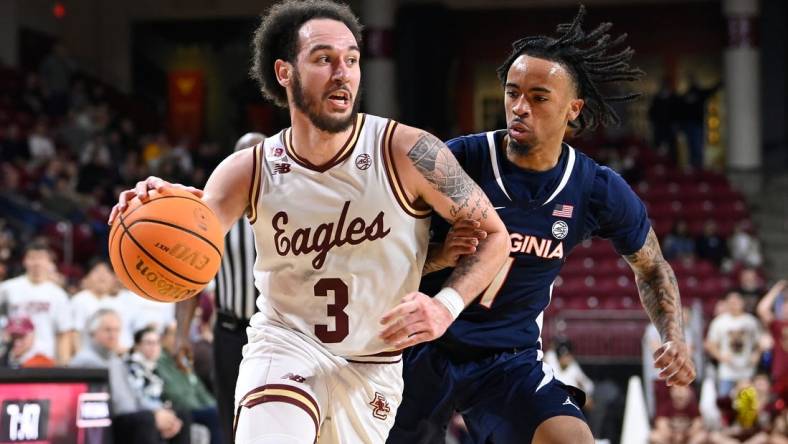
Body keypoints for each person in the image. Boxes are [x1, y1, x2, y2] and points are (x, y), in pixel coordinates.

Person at [107, 1, 509, 443]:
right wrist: (157, 206)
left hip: (372, 366)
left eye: (352, 59)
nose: (343, 73)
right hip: (284, 347)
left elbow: (495, 236)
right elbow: (193, 232)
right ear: (285, 72)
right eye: (324, 58)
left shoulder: (409, 151)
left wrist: (444, 305)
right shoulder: (249, 169)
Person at [388, 7, 695, 444]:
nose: (519, 107)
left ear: (573, 109)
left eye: (538, 97)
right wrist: (438, 254)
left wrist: (674, 336)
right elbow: (382, 251)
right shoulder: (458, 161)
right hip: (421, 346)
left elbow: (652, 267)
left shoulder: (595, 188)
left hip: (506, 359)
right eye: (512, 93)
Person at [175, 131, 264, 444]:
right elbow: (191, 277)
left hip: (279, 331)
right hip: (230, 332)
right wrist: (181, 333)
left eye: (258, 154)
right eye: (243, 156)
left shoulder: (291, 210)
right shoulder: (214, 213)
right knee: (232, 421)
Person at [70, 309, 190, 444]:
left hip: (132, 417)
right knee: (146, 420)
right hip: (109, 421)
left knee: (179, 415)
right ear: (92, 333)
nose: (113, 335)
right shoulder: (85, 361)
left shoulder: (116, 360)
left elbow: (135, 395)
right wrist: (153, 416)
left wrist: (158, 411)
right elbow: (110, 404)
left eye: (116, 330)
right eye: (108, 330)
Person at [0, 241, 73, 364]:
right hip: (10, 359)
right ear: (25, 261)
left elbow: (64, 333)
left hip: (45, 360)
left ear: (49, 262)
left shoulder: (58, 294)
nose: (37, 263)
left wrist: (63, 365)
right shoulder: (7, 289)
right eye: (32, 258)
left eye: (41, 258)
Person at [704, 291, 761, 398]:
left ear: (742, 302)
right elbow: (710, 344)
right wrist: (720, 356)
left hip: (746, 370)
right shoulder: (719, 322)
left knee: (747, 403)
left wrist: (756, 355)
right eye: (731, 302)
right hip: (727, 371)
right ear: (726, 304)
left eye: (736, 302)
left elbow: (759, 342)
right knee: (724, 402)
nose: (734, 304)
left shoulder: (751, 321)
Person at [756, 280, 788, 401]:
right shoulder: (777, 324)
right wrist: (776, 289)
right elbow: (762, 309)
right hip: (779, 373)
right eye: (785, 306)